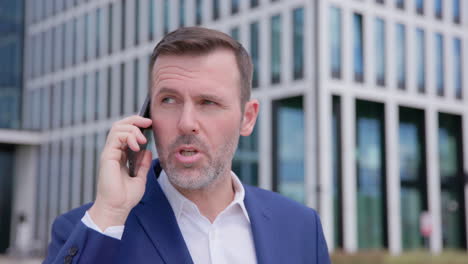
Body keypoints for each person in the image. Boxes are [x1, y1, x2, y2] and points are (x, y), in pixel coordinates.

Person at [43, 27, 330, 264]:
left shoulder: (301, 227)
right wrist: (110, 213)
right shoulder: (90, 229)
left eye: (208, 102)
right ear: (147, 116)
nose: (186, 123)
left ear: (247, 118)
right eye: (168, 100)